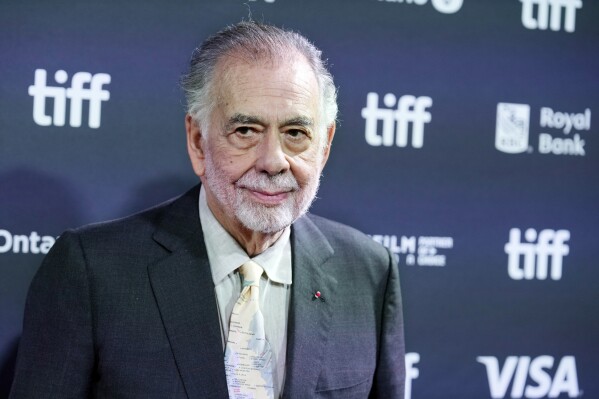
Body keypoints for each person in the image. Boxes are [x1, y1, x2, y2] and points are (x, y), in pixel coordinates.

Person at [10, 21, 405, 398]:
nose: (273, 161)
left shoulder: (369, 273)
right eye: (245, 131)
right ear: (198, 142)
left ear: (325, 145)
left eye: (296, 133)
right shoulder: (92, 272)